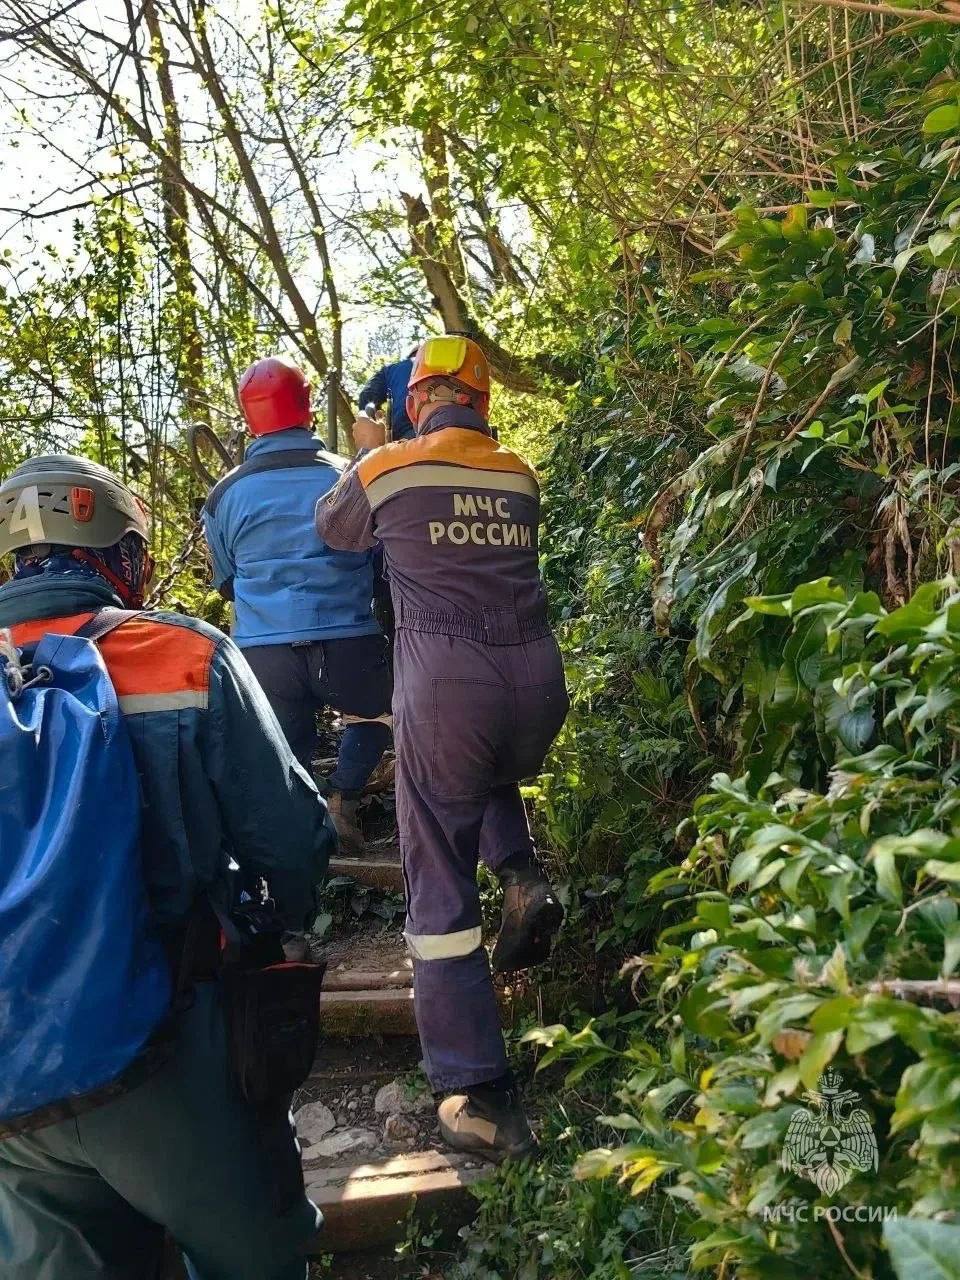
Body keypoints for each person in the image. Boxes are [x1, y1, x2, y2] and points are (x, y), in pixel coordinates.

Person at [0, 453, 334, 1280]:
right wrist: (271, 929)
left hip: (11, 1075)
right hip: (170, 1045)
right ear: (123, 556)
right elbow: (291, 841)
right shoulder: (182, 653)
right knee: (252, 1258)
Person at [316, 334, 568, 1160]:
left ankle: (476, 1092)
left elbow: (336, 532)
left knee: (440, 906)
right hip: (535, 687)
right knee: (485, 767)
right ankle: (525, 876)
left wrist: (365, 451)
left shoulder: (388, 465)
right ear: (484, 402)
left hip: (444, 689)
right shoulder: (519, 473)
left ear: (418, 398)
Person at [203, 355, 393, 851]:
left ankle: (301, 832)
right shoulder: (349, 475)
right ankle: (344, 801)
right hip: (349, 638)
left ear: (249, 419)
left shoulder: (225, 494)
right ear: (308, 410)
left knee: (284, 745)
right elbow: (379, 561)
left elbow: (226, 580)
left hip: (264, 651)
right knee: (384, 710)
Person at [353, 348, 418, 449]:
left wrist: (376, 423)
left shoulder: (391, 370)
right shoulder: (445, 364)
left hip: (404, 437)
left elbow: (366, 395)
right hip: (445, 435)